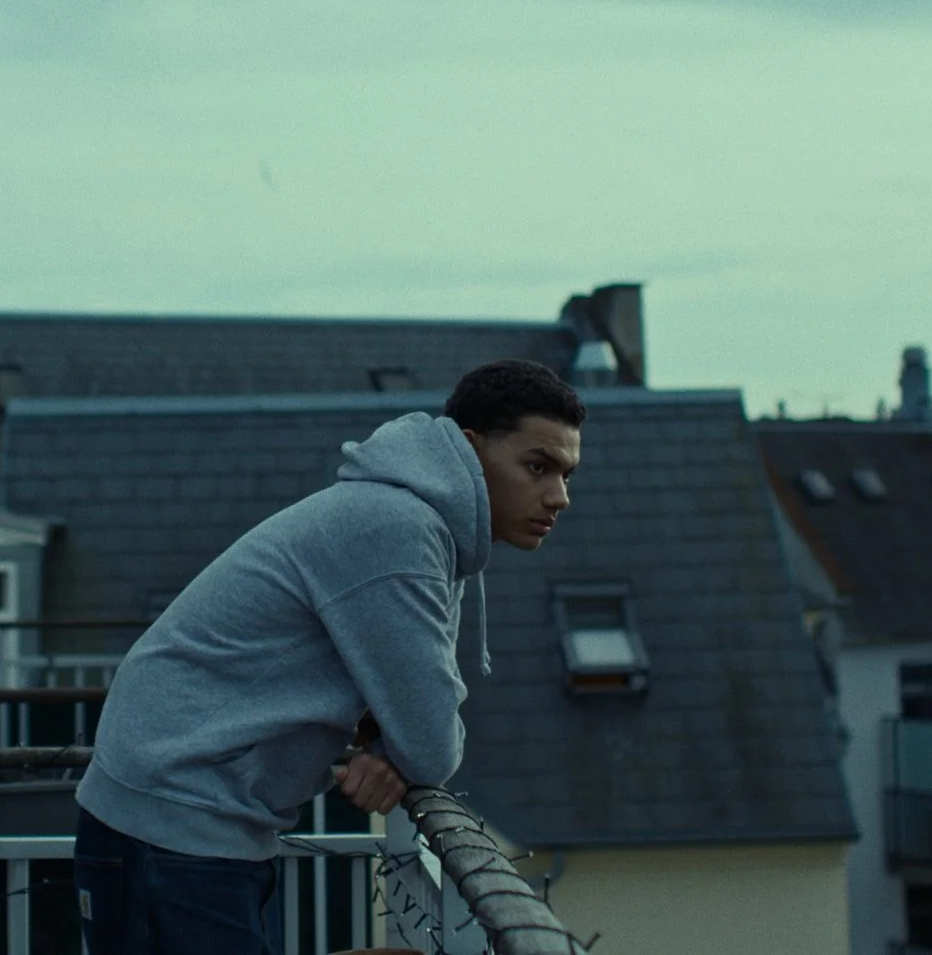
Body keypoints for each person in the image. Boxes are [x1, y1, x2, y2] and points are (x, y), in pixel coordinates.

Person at [73, 358, 585, 954]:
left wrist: (391, 747)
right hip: (174, 820)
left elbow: (413, 721)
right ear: (470, 451)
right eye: (537, 466)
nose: (559, 497)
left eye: (567, 474)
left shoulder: (414, 523)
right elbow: (432, 742)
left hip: (196, 817)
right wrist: (401, 746)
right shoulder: (397, 528)